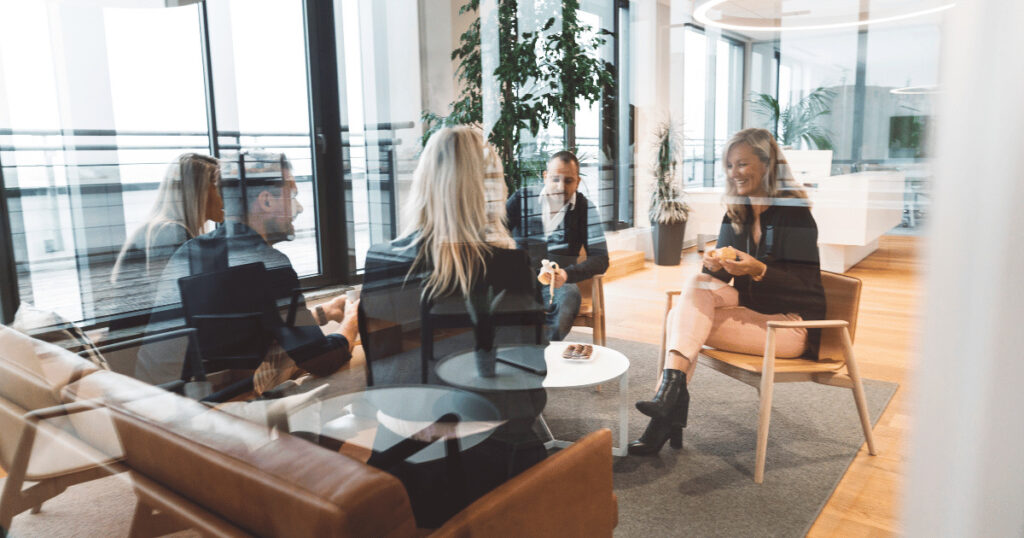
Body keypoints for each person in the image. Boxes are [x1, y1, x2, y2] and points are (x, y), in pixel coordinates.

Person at [361, 126, 544, 527]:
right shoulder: (507, 266)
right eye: (496, 177)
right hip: (478, 472)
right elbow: (523, 392)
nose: (505, 186)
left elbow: (383, 377)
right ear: (480, 189)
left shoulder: (381, 260)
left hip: (397, 465)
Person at [628, 128, 826, 456]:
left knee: (681, 318)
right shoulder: (736, 213)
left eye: (743, 164)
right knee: (695, 286)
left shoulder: (795, 215)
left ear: (767, 164)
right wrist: (713, 265)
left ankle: (666, 410)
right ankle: (669, 396)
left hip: (794, 324)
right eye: (730, 166)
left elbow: (805, 286)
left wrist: (758, 269)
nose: (735, 173)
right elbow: (713, 279)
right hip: (752, 310)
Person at [135, 151, 357, 391]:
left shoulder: (193, 250)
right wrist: (352, 321)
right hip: (208, 405)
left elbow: (250, 329)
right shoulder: (267, 264)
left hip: (160, 397)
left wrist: (326, 311)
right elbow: (320, 361)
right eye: (291, 195)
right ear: (266, 201)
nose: (299, 208)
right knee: (357, 358)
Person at [505, 151, 609, 341]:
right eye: (555, 179)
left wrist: (567, 274)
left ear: (577, 181)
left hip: (558, 283)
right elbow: (494, 233)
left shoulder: (585, 209)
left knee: (569, 296)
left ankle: (544, 350)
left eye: (568, 181)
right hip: (519, 280)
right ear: (545, 177)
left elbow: (601, 259)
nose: (561, 186)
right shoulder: (521, 199)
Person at [109, 153, 223, 323]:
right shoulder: (170, 233)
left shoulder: (163, 229)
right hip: (145, 342)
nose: (230, 194)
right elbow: (176, 302)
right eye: (221, 187)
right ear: (200, 192)